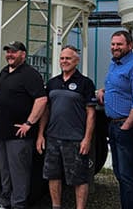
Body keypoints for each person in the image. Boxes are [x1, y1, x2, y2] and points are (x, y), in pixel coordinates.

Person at [96, 30, 133, 209]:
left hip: (129, 126)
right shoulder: (115, 64)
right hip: (113, 125)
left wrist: (126, 126)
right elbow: (120, 86)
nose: (115, 47)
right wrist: (104, 91)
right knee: (120, 173)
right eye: (113, 44)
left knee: (128, 175)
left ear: (130, 45)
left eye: (119, 44)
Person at [37, 45, 97, 209]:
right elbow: (46, 111)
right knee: (53, 175)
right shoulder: (52, 83)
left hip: (75, 139)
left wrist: (87, 139)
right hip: (53, 137)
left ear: (76, 61)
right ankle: (56, 206)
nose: (64, 61)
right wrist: (41, 134)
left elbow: (91, 114)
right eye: (62, 58)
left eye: (68, 58)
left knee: (79, 178)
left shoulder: (85, 83)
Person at [0, 41, 47, 209]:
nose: (9, 54)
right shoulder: (4, 72)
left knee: (19, 174)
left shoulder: (30, 74)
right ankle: (4, 202)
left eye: (13, 52)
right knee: (5, 172)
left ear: (23, 54)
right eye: (8, 52)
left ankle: (19, 205)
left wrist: (29, 123)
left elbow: (42, 99)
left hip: (19, 135)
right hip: (2, 133)